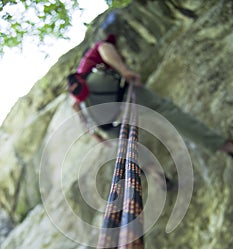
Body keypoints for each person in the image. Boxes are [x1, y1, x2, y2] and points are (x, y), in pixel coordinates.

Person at [69, 34, 233, 158]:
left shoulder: (79, 78)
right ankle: (225, 146)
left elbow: (75, 106)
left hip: (101, 117)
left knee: (129, 145)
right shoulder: (95, 53)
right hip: (114, 92)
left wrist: (93, 133)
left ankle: (156, 176)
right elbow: (104, 49)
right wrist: (124, 71)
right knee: (163, 110)